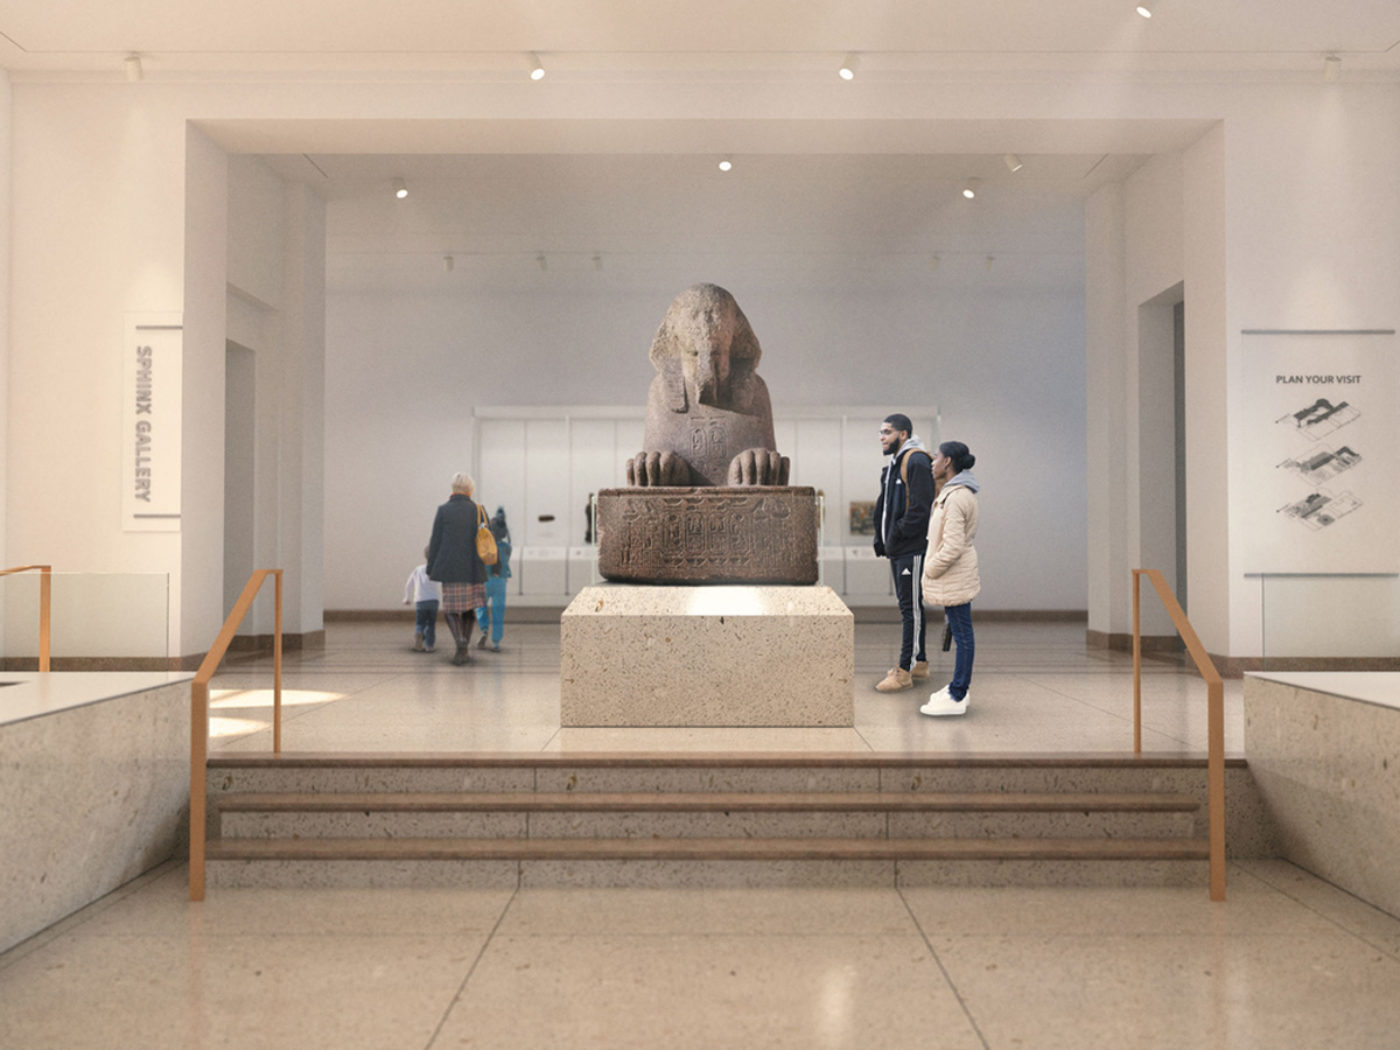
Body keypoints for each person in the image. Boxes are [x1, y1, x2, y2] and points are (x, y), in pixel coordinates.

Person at [871, 413, 935, 692]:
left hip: (911, 548)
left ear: (904, 434)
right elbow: (885, 507)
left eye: (887, 432)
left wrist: (897, 535)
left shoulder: (916, 461)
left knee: (911, 609)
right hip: (897, 548)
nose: (882, 437)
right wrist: (881, 538)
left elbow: (920, 509)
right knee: (908, 606)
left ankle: (905, 671)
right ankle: (919, 662)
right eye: (881, 432)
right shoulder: (895, 464)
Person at [920, 441, 981, 716]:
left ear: (947, 462)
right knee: (960, 631)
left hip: (953, 575)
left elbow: (953, 546)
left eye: (936, 457)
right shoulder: (955, 493)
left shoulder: (956, 497)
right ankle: (958, 688)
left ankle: (958, 693)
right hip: (956, 575)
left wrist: (930, 568)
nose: (932, 462)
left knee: (963, 634)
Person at [426, 472, 489, 665]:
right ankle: (465, 647)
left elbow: (435, 541)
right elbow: (488, 538)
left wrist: (431, 567)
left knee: (450, 609)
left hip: (450, 568)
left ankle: (459, 641)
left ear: (453, 488)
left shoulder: (443, 510)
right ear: (470, 489)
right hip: (473, 568)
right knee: (469, 609)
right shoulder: (479, 510)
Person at [476, 507, 513, 652]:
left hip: (485, 581)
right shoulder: (507, 547)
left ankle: (484, 629)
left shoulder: (484, 546)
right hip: (500, 582)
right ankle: (496, 642)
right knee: (498, 611)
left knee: (480, 607)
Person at [402, 546, 441, 653]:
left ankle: (419, 634)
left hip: (420, 600)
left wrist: (406, 597)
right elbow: (441, 583)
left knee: (420, 622)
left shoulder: (418, 569)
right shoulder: (436, 569)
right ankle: (429, 645)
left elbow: (408, 584)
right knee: (431, 624)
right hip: (433, 600)